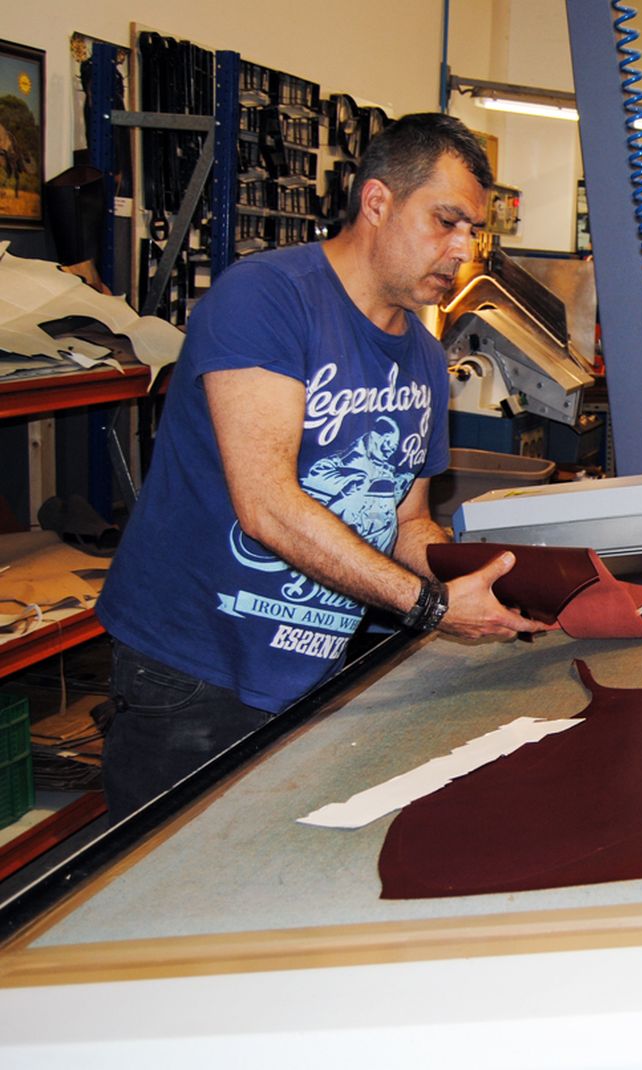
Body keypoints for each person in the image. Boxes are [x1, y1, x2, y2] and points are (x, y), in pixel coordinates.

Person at [96, 113, 539, 820]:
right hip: (196, 669)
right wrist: (430, 608)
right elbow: (267, 505)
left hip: (312, 673)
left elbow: (407, 521)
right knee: (169, 900)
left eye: (473, 232)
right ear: (376, 202)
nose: (462, 250)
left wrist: (491, 581)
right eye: (446, 221)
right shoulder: (268, 298)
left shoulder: (425, 355)